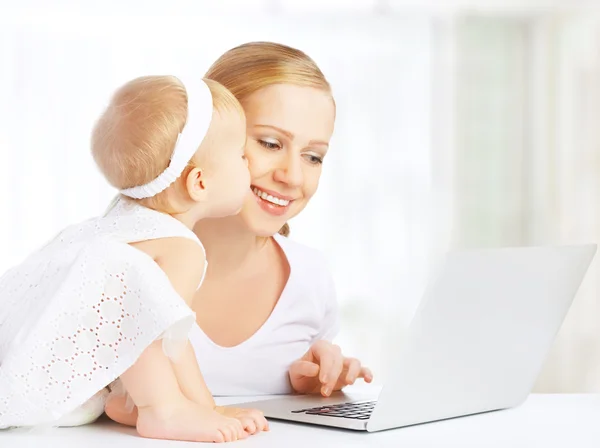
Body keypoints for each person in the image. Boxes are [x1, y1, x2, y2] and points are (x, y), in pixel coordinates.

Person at [105, 42, 373, 431]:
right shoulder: (130, 261)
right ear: (205, 138)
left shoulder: (311, 278)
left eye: (313, 156)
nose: (293, 177)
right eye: (269, 143)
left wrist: (312, 387)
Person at [0, 74, 267, 442]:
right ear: (200, 183)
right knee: (151, 313)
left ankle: (134, 400)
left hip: (35, 367)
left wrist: (206, 408)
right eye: (240, 155)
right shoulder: (179, 246)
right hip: (54, 394)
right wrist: (206, 406)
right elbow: (160, 334)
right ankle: (160, 409)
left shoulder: (120, 222)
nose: (249, 163)